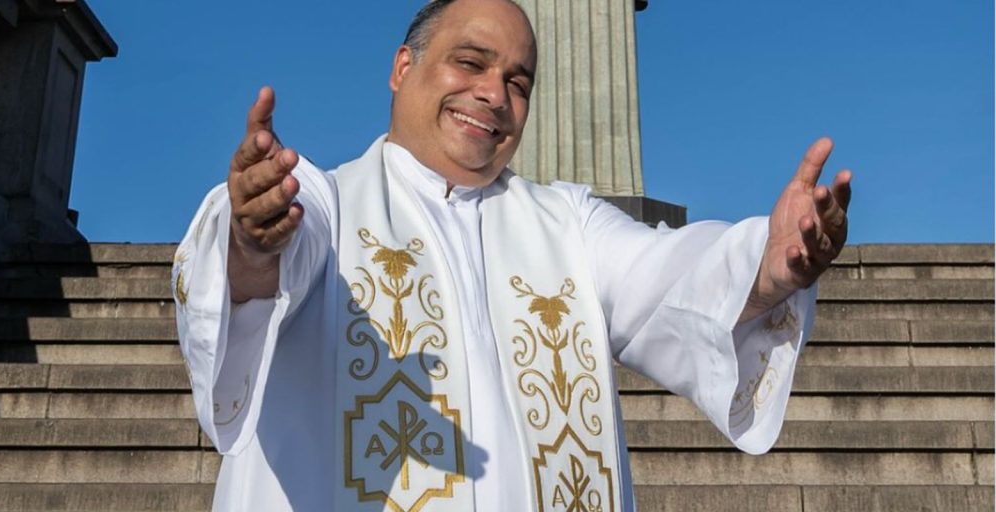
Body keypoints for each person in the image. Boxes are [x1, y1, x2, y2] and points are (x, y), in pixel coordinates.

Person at [173, 0, 852, 510]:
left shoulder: (567, 223)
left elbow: (668, 274)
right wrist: (253, 241)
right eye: (469, 63)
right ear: (403, 67)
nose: (494, 95)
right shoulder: (328, 203)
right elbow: (264, 267)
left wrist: (764, 265)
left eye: (518, 81)